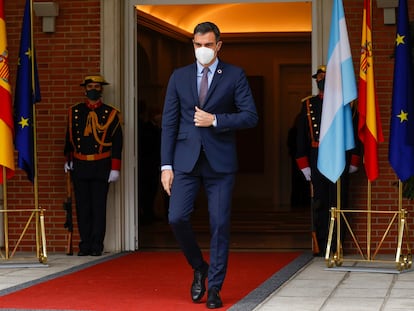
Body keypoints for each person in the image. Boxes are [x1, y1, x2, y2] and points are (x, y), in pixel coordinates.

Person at [160, 22, 258, 309]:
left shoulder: (235, 75)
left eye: (207, 45)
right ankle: (199, 267)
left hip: (220, 163)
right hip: (185, 161)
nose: (202, 50)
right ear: (193, 44)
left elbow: (250, 116)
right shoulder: (178, 77)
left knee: (219, 225)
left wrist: (215, 120)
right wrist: (166, 165)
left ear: (218, 45)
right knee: (176, 217)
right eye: (197, 44)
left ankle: (214, 287)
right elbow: (169, 123)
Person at [295, 65, 360, 256]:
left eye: (324, 76)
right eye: (319, 77)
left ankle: (337, 244)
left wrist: (354, 159)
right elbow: (301, 137)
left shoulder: (345, 104)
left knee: (339, 200)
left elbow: (354, 133)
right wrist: (304, 163)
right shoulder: (308, 104)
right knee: (320, 201)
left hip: (339, 156)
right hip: (317, 157)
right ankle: (322, 244)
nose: (320, 80)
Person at [64, 75, 123, 257]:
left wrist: (115, 167)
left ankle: (97, 245)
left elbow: (117, 142)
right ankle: (85, 244)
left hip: (101, 165)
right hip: (80, 165)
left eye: (97, 86)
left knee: (98, 207)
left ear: (101, 90)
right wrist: (68, 159)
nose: (93, 89)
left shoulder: (110, 113)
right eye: (90, 86)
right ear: (85, 89)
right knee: (83, 207)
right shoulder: (75, 112)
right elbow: (70, 137)